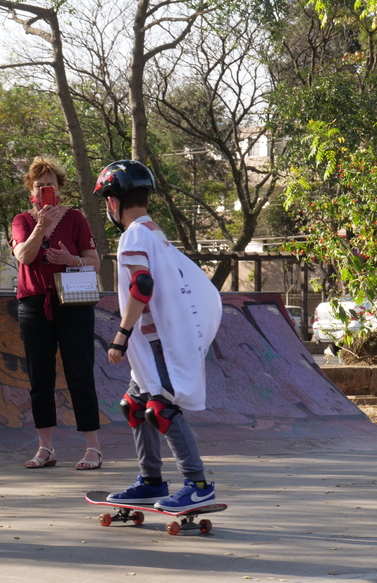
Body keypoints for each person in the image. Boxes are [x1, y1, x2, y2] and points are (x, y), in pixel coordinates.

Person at [93, 160, 223, 512]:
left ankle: (198, 485)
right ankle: (151, 481)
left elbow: (142, 285)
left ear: (114, 201)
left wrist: (121, 336)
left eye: (107, 200)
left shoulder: (133, 235)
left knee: (161, 408)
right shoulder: (154, 233)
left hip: (157, 342)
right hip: (155, 342)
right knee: (135, 405)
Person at [10, 156, 103, 470]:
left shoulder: (75, 218)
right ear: (31, 190)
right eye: (39, 185)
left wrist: (71, 259)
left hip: (74, 302)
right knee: (40, 378)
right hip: (34, 304)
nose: (44, 189)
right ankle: (45, 447)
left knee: (80, 373)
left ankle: (92, 447)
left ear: (59, 188)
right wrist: (41, 227)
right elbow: (24, 256)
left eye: (49, 184)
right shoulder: (22, 220)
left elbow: (94, 262)